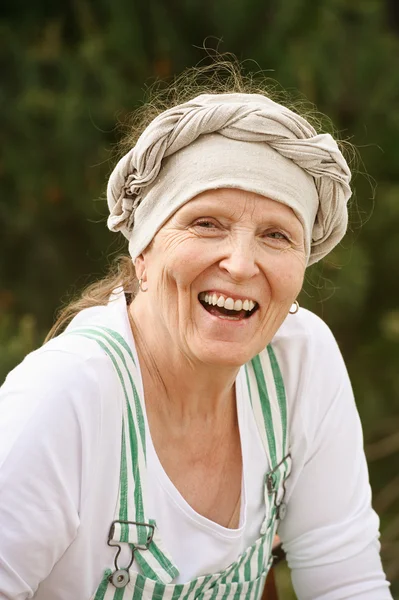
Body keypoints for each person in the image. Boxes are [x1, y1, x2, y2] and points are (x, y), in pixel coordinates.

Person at [0, 63, 393, 600]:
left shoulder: (302, 362)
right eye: (207, 223)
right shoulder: (63, 395)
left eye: (277, 235)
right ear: (143, 250)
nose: (240, 263)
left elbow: (346, 583)